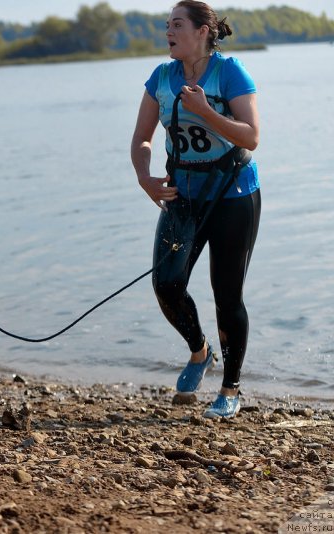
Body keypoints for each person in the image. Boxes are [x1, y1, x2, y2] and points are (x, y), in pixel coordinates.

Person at [130, 0, 261, 418]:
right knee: (166, 284)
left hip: (234, 194)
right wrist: (144, 176)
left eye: (178, 24)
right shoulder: (161, 78)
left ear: (203, 31)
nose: (169, 31)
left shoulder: (230, 72)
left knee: (227, 295)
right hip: (182, 196)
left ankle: (230, 387)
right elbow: (142, 140)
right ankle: (200, 351)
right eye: (167, 25)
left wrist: (206, 111)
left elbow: (252, 135)